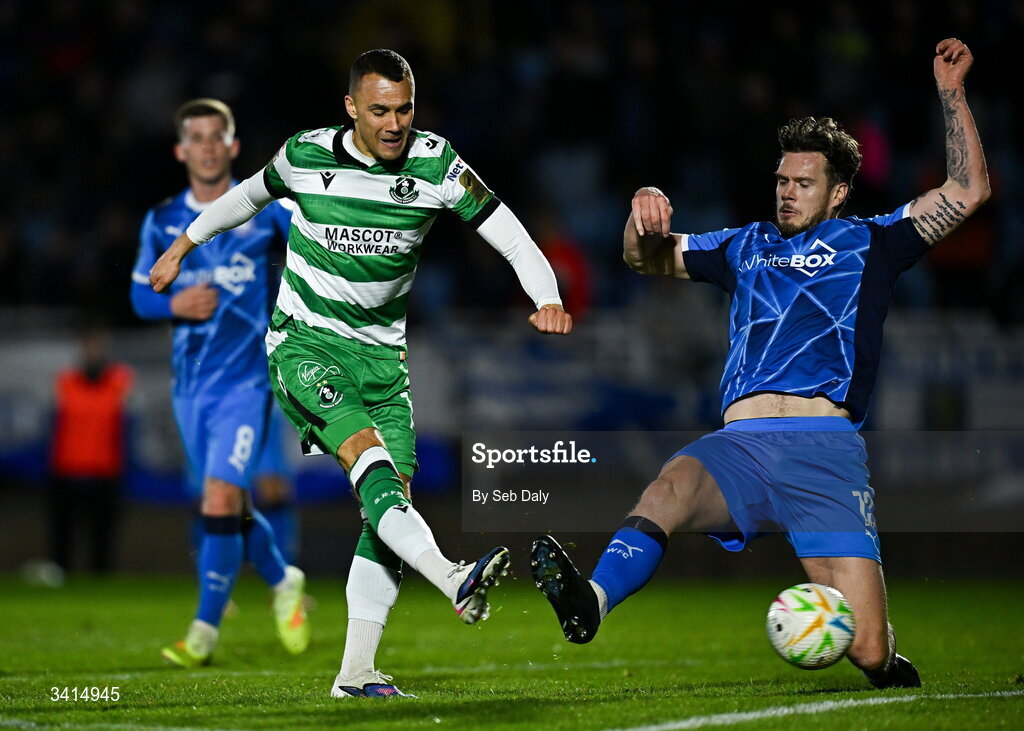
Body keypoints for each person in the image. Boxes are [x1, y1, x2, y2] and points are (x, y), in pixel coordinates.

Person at [531, 38, 988, 690]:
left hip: (822, 450)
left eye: (804, 183)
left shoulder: (873, 241)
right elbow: (644, 258)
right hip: (740, 445)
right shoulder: (743, 245)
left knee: (865, 650)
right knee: (669, 487)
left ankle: (886, 659)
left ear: (838, 194)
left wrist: (951, 93)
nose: (788, 192)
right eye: (781, 180)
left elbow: (969, 190)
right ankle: (591, 602)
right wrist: (641, 212)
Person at [150, 49, 573, 698]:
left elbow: (512, 236)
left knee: (388, 506)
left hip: (383, 364)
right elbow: (246, 196)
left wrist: (546, 296)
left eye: (404, 108)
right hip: (305, 344)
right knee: (366, 459)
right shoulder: (306, 156)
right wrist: (183, 244)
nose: (395, 122)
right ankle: (454, 579)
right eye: (379, 110)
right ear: (351, 108)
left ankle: (354, 673)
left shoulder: (435, 164)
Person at [130, 98, 311, 668]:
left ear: (232, 147)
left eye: (217, 137)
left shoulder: (267, 213)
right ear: (181, 150)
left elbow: (319, 244)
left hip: (246, 384)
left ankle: (203, 634)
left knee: (218, 496)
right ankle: (284, 579)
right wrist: (174, 305)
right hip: (190, 391)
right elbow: (139, 295)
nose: (207, 147)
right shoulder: (161, 220)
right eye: (196, 138)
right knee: (228, 505)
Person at [49, 326, 134, 576]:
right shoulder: (66, 382)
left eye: (98, 346)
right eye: (89, 346)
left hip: (104, 470)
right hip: (68, 469)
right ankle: (60, 576)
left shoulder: (118, 381)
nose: (93, 351)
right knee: (64, 533)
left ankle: (100, 578)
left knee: (102, 536)